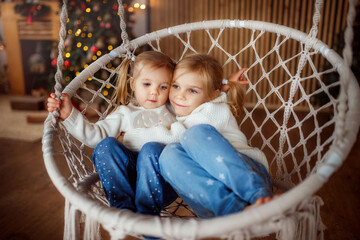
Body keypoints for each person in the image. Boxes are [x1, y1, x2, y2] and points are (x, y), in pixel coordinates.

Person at [127, 53, 274, 219]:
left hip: (248, 173)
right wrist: (226, 84)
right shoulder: (184, 108)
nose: (180, 95)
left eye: (192, 90)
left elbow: (172, 136)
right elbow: (201, 91)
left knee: (193, 135)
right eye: (175, 86)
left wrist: (127, 138)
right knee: (168, 155)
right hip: (216, 194)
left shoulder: (212, 111)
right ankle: (232, 209)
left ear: (212, 95)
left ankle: (261, 196)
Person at [46, 51, 179, 215]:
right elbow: (96, 134)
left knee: (151, 149)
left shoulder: (176, 111)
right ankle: (122, 209)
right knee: (106, 145)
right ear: (133, 84)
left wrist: (220, 91)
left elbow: (203, 115)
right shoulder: (125, 113)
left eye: (163, 86)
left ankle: (147, 214)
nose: (154, 92)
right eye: (147, 84)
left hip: (163, 183)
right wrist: (69, 114)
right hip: (127, 182)